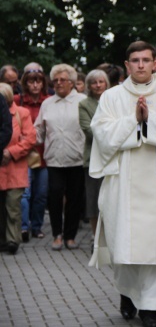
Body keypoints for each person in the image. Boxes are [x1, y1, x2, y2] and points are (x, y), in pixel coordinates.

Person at [89, 41, 156, 327]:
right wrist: (133, 120)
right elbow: (101, 133)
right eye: (136, 60)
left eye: (146, 60)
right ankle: (129, 294)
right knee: (126, 247)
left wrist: (149, 121)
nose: (141, 65)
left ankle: (152, 310)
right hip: (123, 179)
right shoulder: (111, 96)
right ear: (127, 64)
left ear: (155, 63)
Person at [34, 64, 86, 251]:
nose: (58, 83)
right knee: (54, 197)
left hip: (77, 157)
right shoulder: (47, 103)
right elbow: (39, 129)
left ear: (72, 82)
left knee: (74, 198)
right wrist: (32, 138)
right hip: (54, 158)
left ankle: (70, 236)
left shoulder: (82, 101)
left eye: (62, 80)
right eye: (55, 80)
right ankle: (57, 234)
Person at [0, 83, 36, 255]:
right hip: (1, 168)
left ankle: (13, 240)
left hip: (15, 166)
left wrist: (11, 152)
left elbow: (30, 139)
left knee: (14, 206)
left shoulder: (22, 113)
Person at [16, 64, 50, 241]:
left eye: (38, 81)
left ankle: (36, 227)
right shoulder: (17, 100)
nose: (35, 85)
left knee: (41, 194)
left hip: (44, 155)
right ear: (25, 83)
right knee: (25, 193)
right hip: (23, 155)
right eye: (31, 81)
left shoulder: (50, 100)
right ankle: (23, 227)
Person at [78, 69, 109, 239]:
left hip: (114, 157)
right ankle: (95, 236)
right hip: (92, 158)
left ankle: (110, 235)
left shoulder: (114, 100)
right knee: (93, 200)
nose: (98, 85)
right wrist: (114, 132)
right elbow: (89, 130)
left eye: (101, 81)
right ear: (89, 85)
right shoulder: (84, 105)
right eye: (94, 82)